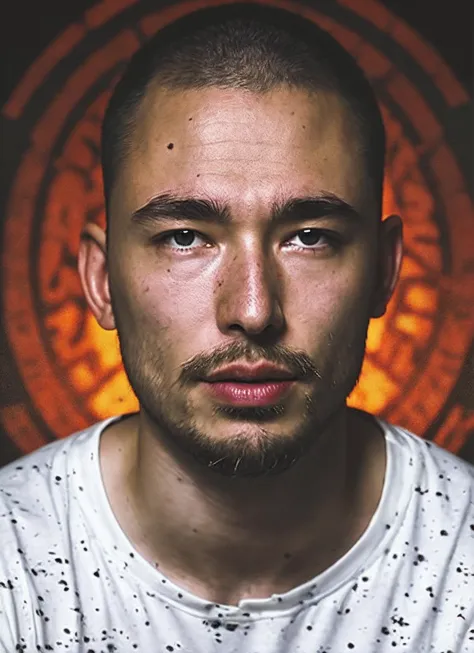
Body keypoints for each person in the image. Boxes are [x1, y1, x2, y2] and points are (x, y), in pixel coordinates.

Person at [1, 2, 473, 651]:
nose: (252, 310)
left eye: (310, 236)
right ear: (102, 280)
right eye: (187, 237)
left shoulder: (461, 567)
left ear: (385, 273)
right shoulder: (13, 563)